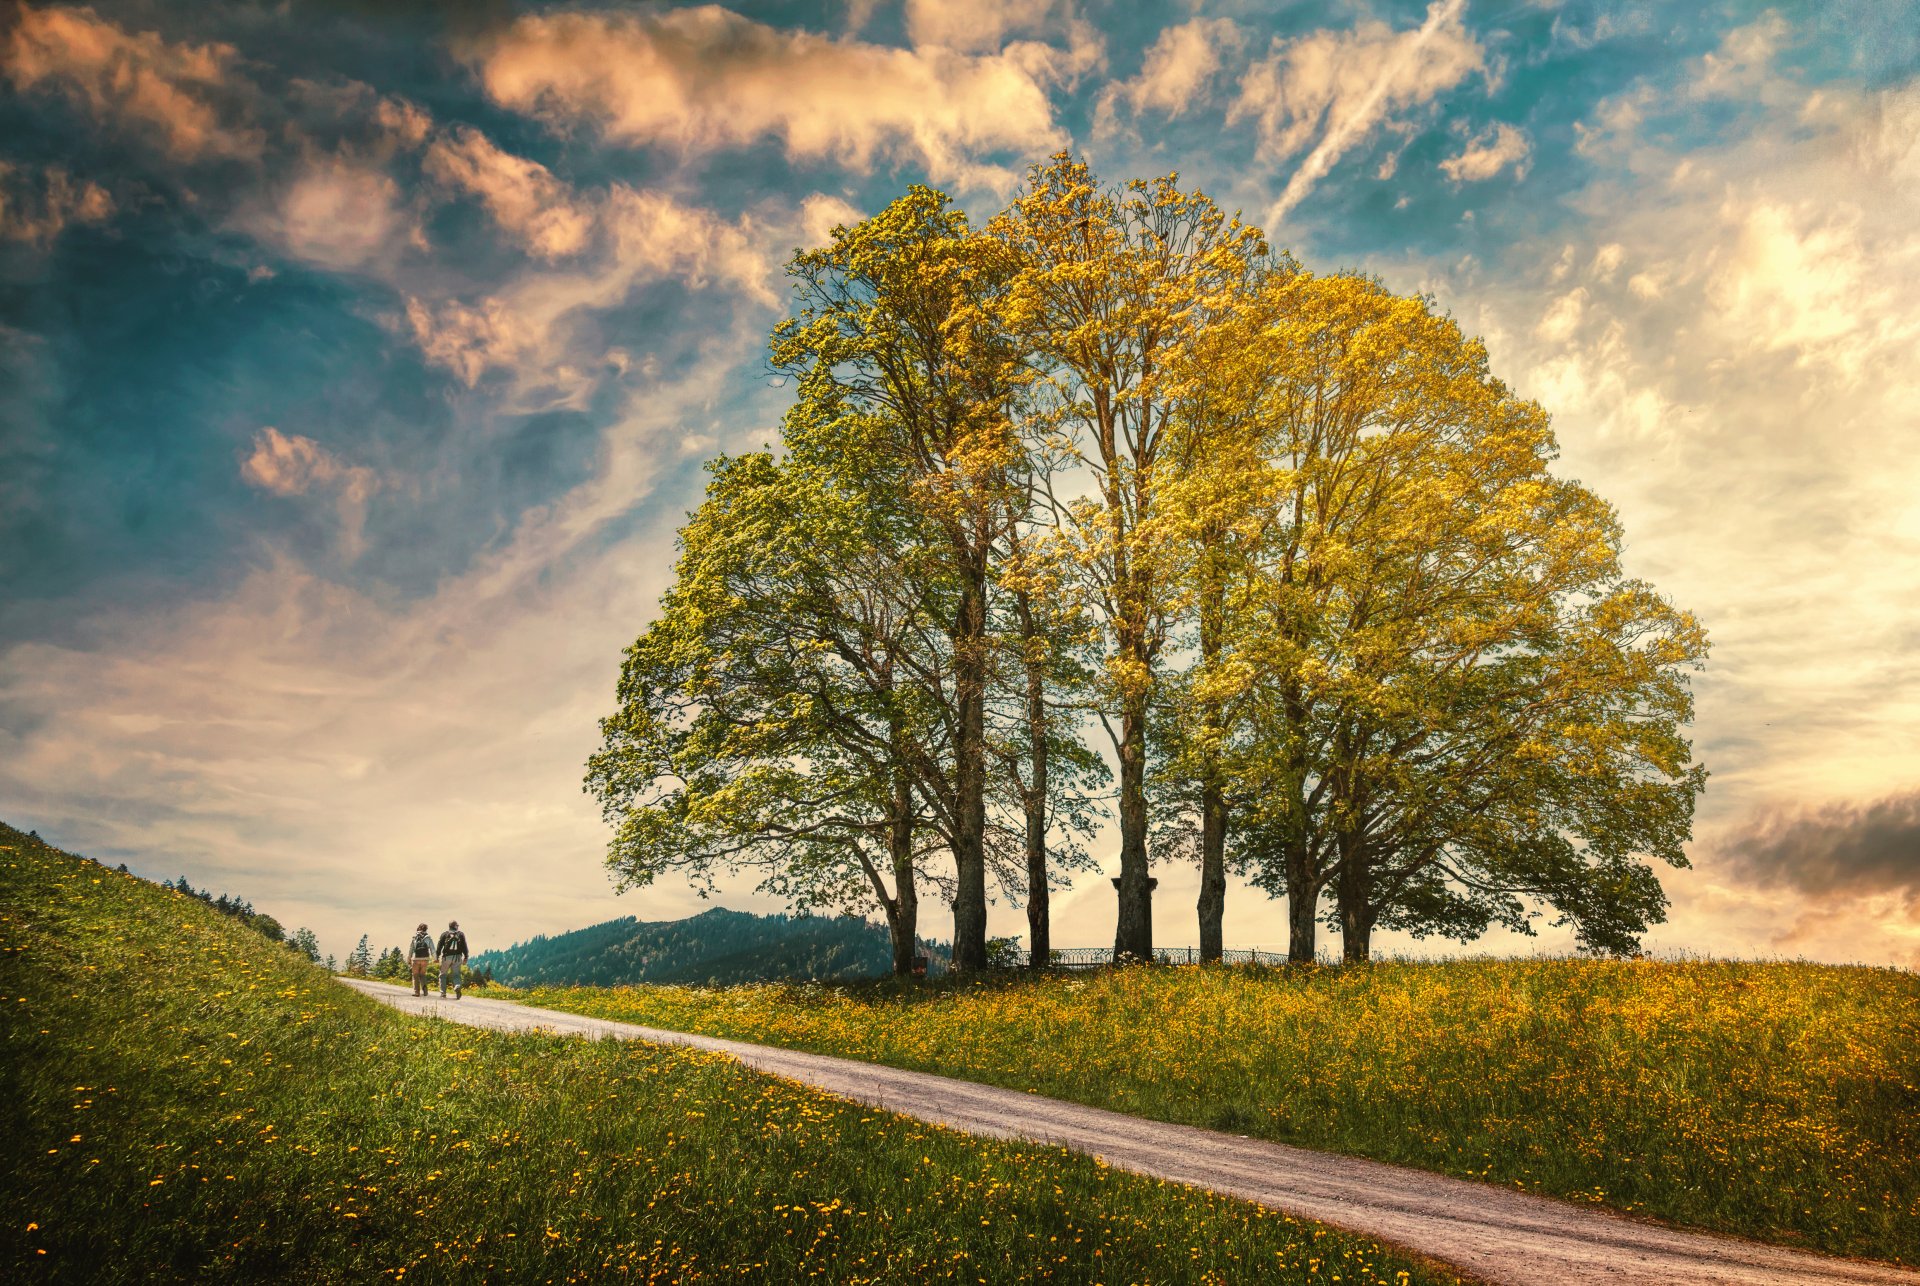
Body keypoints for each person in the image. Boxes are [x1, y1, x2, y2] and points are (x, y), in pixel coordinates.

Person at [435, 920, 469, 999]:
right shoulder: (461, 934)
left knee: (442, 975)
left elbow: (439, 946)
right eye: (457, 925)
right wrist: (466, 957)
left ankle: (443, 993)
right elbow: (464, 946)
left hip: (446, 957)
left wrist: (436, 956)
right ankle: (457, 986)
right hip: (457, 957)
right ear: (455, 926)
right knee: (456, 975)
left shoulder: (444, 934)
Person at [407, 922, 434, 996]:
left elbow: (411, 949)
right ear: (426, 929)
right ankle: (425, 991)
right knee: (423, 975)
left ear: (418, 928)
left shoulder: (415, 937)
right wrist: (435, 958)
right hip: (425, 959)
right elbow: (432, 949)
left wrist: (409, 959)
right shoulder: (428, 937)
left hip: (416, 959)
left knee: (415, 975)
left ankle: (416, 992)